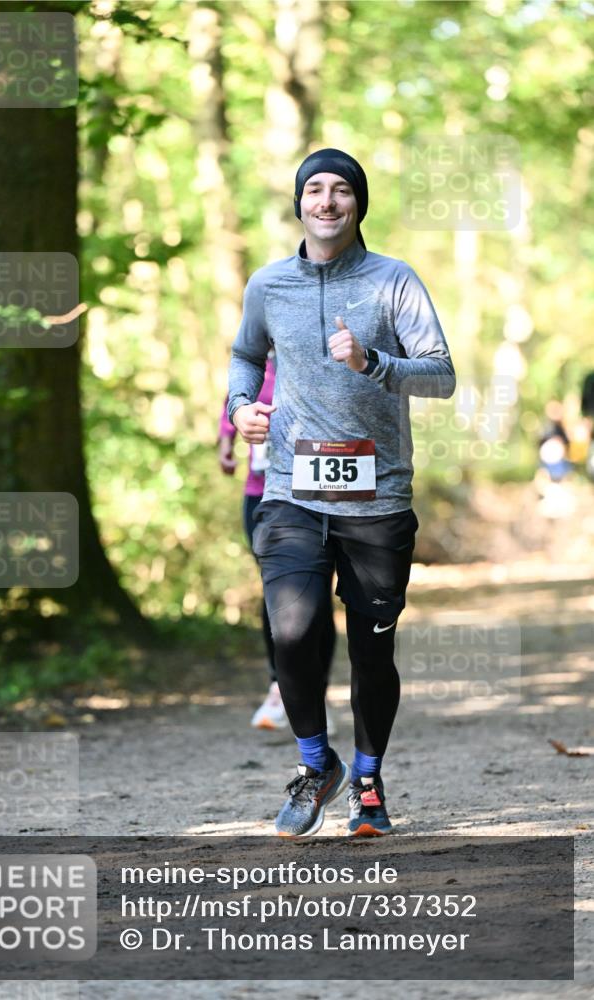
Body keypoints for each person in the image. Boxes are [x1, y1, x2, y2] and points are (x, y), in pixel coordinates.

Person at [227, 148, 455, 838]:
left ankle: (366, 779)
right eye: (314, 190)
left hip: (377, 499)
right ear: (299, 203)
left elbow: (440, 376)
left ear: (358, 203)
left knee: (370, 651)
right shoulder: (268, 285)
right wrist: (241, 407)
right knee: (291, 630)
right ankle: (313, 763)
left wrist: (372, 362)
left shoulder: (393, 282)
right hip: (292, 491)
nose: (326, 202)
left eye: (341, 191)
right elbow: (245, 356)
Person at [218, 354, 337, 730]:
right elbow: (234, 401)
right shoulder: (252, 362)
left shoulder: (316, 360)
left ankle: (315, 693)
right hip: (262, 494)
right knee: (277, 594)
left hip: (317, 495)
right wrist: (226, 437)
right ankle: (277, 688)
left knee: (318, 596)